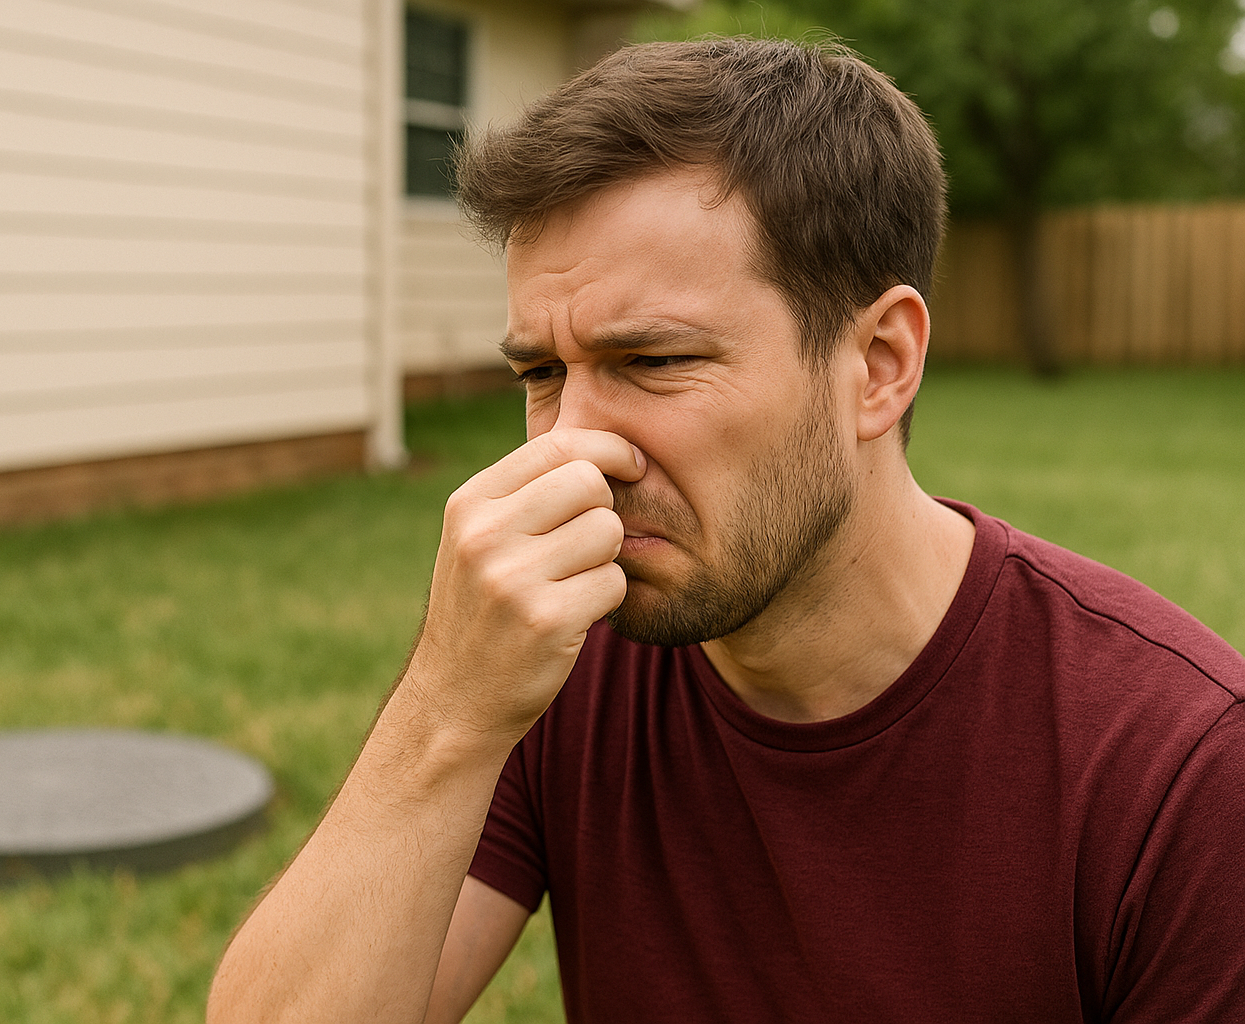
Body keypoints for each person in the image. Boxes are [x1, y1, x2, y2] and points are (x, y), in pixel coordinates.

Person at [208, 37, 1245, 1023]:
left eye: (654, 362)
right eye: (540, 374)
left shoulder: (1180, 768)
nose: (573, 449)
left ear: (879, 364)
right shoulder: (553, 661)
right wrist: (446, 705)